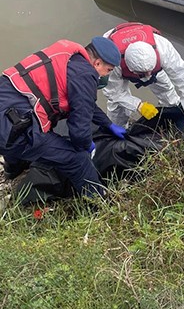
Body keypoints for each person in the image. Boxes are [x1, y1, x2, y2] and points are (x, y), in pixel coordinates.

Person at [0, 36, 127, 198]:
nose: (105, 76)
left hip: (7, 105)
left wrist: (108, 124)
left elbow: (84, 103)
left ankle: (12, 171)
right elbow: (79, 133)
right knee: (78, 159)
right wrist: (87, 145)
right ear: (97, 63)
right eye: (108, 70)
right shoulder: (86, 75)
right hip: (12, 128)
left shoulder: (68, 56)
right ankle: (99, 204)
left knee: (16, 132)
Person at [102, 22, 184, 138]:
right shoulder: (111, 59)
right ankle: (118, 132)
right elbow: (113, 92)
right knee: (117, 106)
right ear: (130, 68)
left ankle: (171, 116)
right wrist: (138, 105)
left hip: (152, 65)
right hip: (118, 56)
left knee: (167, 93)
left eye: (150, 71)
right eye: (142, 74)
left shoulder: (163, 49)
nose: (147, 76)